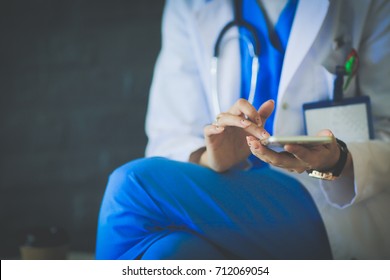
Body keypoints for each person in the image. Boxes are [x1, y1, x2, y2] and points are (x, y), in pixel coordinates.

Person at [96, 0, 390, 259]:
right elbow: (169, 133)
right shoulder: (189, 5)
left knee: (131, 186)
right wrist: (211, 159)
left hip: (328, 203)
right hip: (222, 189)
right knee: (170, 254)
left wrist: (337, 161)